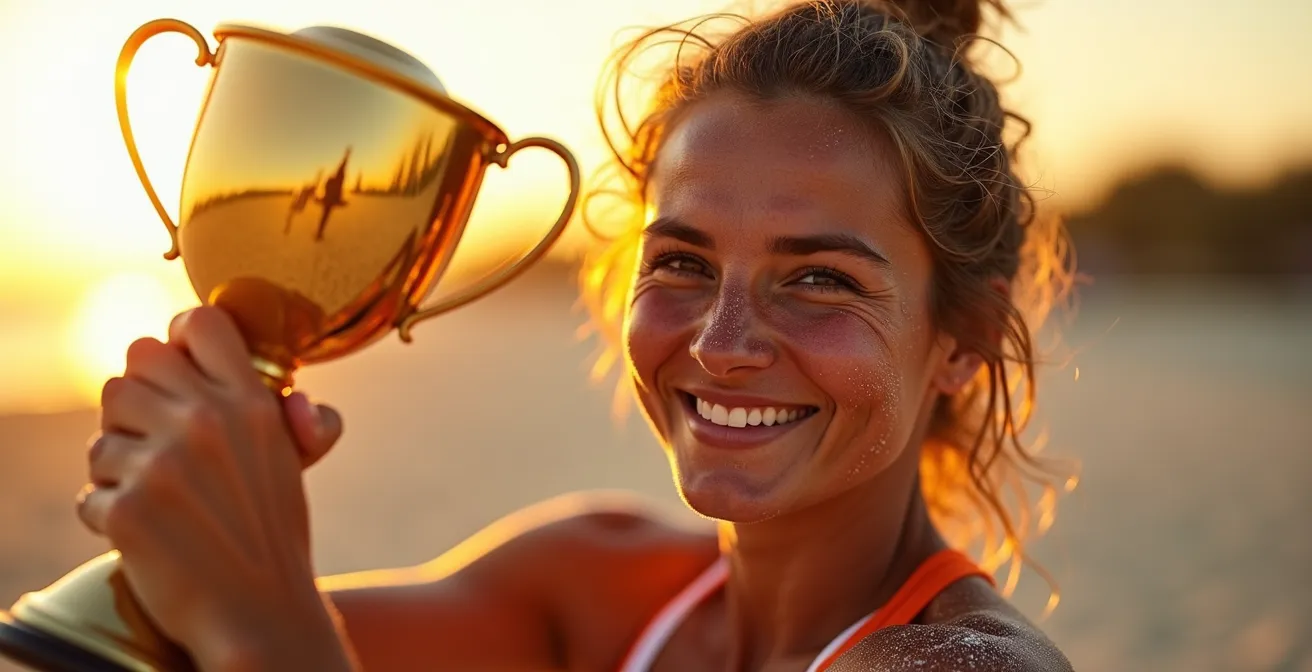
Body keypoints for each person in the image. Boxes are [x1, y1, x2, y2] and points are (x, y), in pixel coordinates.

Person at [76, 0, 1079, 669]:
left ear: (963, 338)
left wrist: (263, 630)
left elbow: (264, 634)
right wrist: (201, 493)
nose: (724, 341)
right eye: (682, 263)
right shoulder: (592, 585)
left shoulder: (961, 665)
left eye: (818, 279)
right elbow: (161, 635)